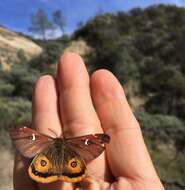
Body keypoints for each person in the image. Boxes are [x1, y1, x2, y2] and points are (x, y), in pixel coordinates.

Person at [13, 52, 165, 190]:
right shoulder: (70, 142)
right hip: (68, 156)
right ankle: (66, 170)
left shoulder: (47, 141)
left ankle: (56, 169)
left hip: (51, 156)